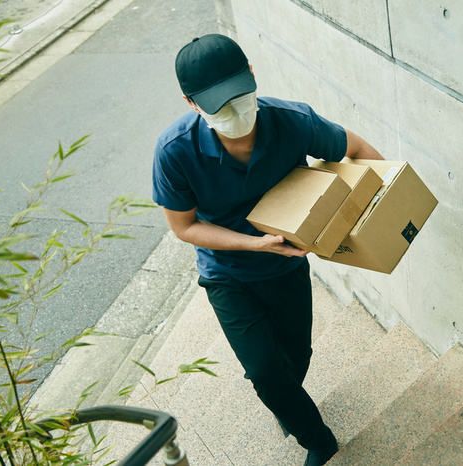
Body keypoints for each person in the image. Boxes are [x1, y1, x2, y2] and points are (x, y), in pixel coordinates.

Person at [151, 34, 383, 466]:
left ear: (253, 75)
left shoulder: (292, 121)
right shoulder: (174, 152)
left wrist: (374, 219)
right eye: (218, 104)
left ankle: (287, 401)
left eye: (240, 94)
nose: (235, 110)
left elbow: (358, 151)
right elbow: (183, 226)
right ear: (191, 103)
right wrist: (255, 244)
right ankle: (317, 438)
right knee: (263, 370)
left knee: (297, 356)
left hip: (287, 266)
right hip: (227, 273)